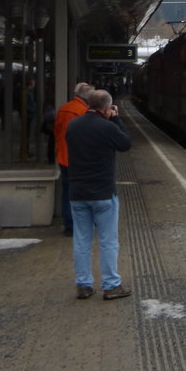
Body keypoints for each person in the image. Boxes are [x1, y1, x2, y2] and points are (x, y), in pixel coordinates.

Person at [66, 89, 132, 300]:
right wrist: (116, 119)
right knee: (108, 242)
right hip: (103, 194)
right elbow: (125, 144)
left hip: (77, 193)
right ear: (106, 108)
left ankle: (83, 285)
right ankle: (111, 286)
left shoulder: (73, 126)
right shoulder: (107, 127)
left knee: (81, 241)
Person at [54, 82, 93, 236]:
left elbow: (56, 132)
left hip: (63, 157)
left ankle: (68, 225)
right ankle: (81, 225)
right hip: (80, 159)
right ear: (88, 97)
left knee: (67, 192)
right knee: (83, 193)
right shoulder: (84, 112)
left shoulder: (64, 108)